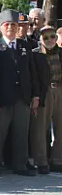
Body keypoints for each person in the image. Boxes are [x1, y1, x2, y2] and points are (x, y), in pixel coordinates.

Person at [0, 10, 39, 177]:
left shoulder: (25, 46)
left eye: (14, 25)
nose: (10, 27)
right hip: (2, 98)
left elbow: (32, 72)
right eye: (7, 25)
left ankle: (20, 164)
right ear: (1, 28)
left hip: (22, 98)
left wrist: (35, 95)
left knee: (21, 133)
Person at [31, 26, 62, 173]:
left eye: (52, 37)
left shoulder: (61, 52)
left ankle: (57, 160)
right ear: (40, 40)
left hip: (60, 90)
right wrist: (35, 96)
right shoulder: (36, 54)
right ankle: (41, 161)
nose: (49, 40)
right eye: (45, 38)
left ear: (56, 38)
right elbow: (34, 78)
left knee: (60, 127)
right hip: (45, 92)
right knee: (41, 128)